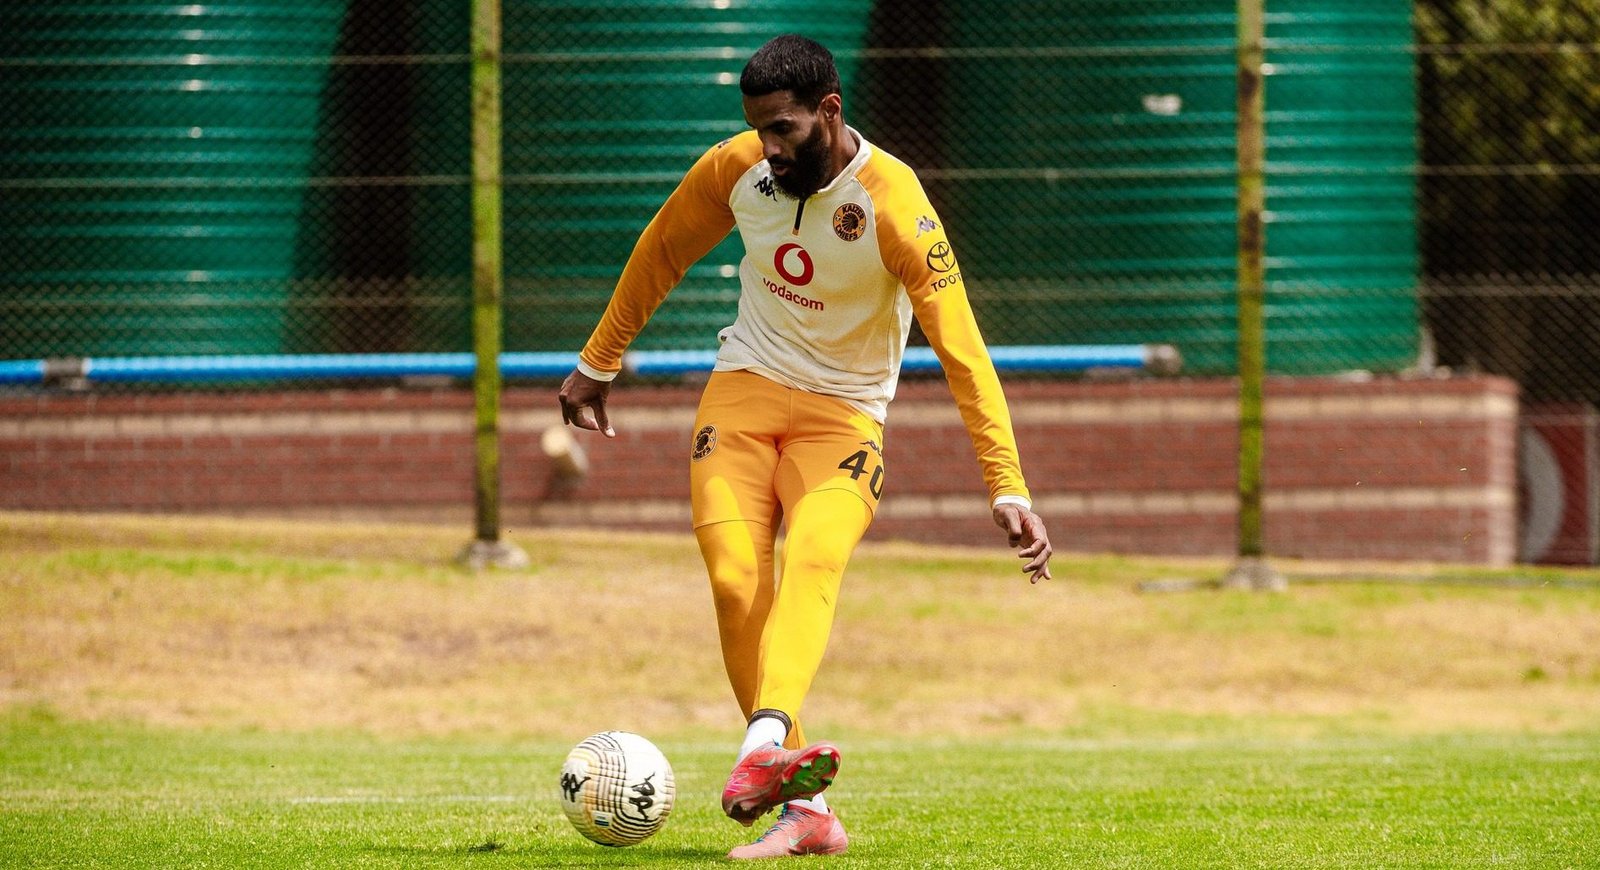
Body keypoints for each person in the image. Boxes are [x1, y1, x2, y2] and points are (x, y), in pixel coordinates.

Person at [558, 34, 1053, 860]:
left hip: (844, 418)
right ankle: (804, 806)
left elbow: (963, 350)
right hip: (744, 391)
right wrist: (598, 360)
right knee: (735, 580)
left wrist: (1007, 484)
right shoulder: (736, 169)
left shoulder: (895, 205)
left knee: (815, 557)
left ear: (829, 110)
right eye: (759, 130)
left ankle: (764, 749)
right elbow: (663, 249)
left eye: (783, 129)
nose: (769, 149)